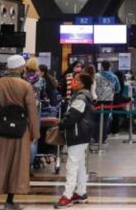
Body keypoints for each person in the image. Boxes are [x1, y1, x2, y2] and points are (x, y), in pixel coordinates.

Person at [0, 55, 40, 210]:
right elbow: (32, 111)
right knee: (16, 165)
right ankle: (10, 202)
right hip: (20, 132)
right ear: (20, 68)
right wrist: (35, 132)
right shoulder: (26, 86)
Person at [54, 72, 95, 208]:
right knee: (80, 164)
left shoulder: (81, 98)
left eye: (76, 80)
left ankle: (67, 196)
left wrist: (60, 123)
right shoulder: (83, 96)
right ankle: (81, 192)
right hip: (83, 133)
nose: (73, 82)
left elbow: (71, 118)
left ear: (83, 84)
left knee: (72, 165)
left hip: (78, 134)